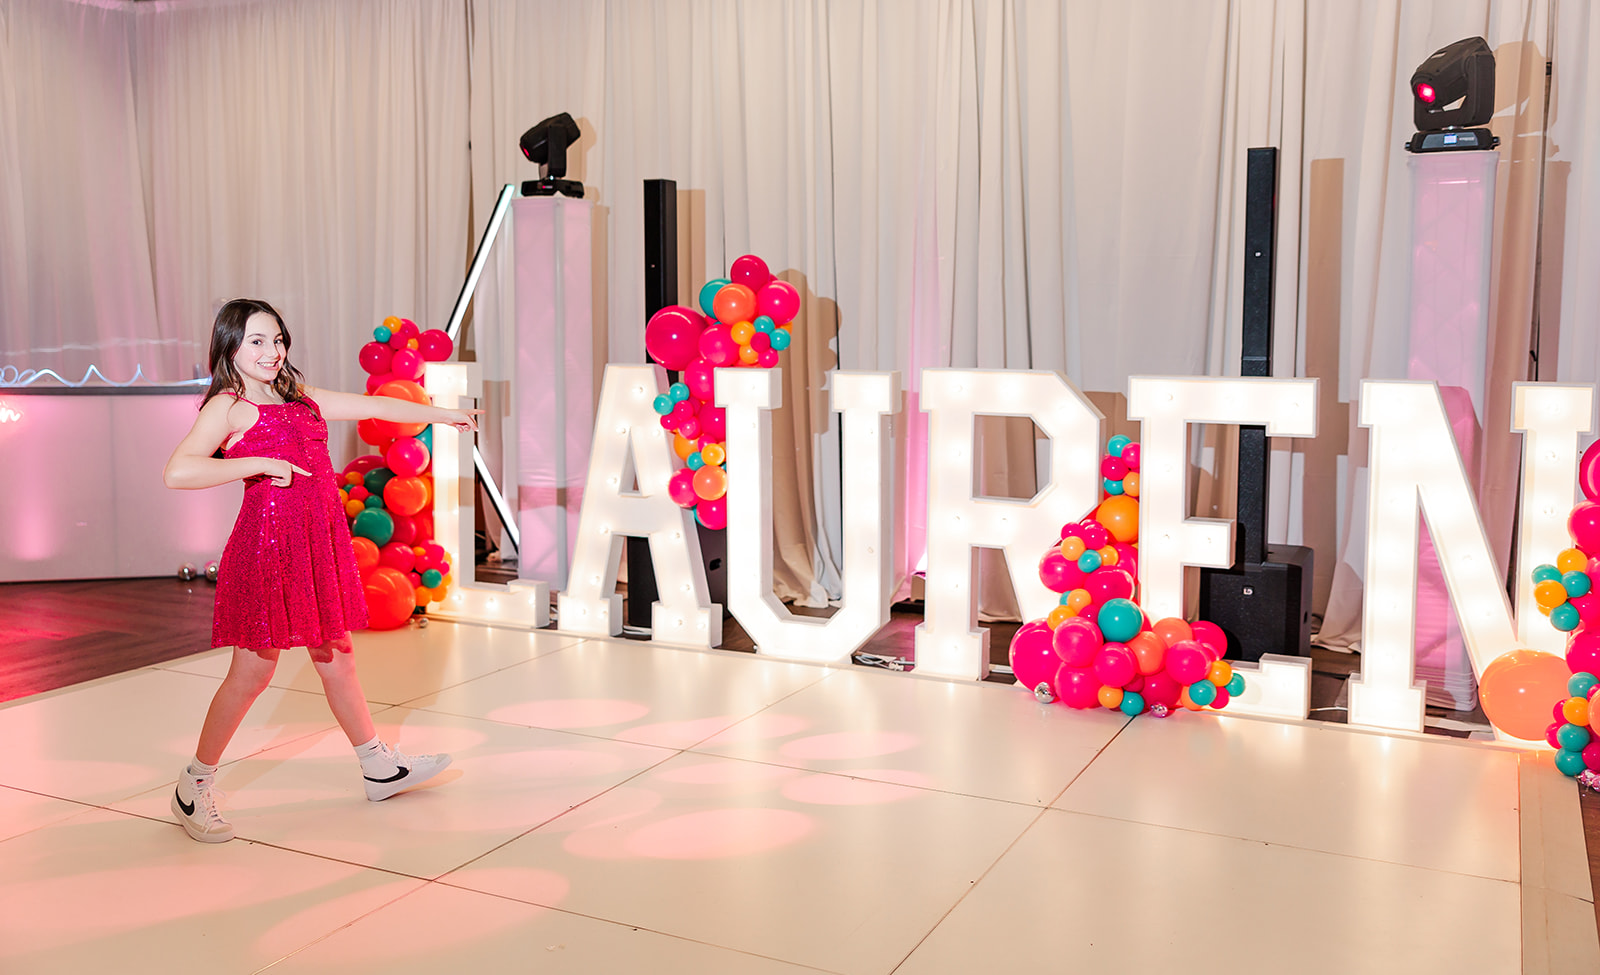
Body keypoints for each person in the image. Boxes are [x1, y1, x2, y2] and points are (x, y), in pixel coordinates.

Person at [162, 298, 479, 843]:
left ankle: (378, 766)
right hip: (267, 549)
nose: (271, 351)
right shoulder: (228, 406)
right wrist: (257, 462)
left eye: (278, 339)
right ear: (230, 345)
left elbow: (366, 405)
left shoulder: (297, 396)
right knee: (252, 674)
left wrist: (440, 414)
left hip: (316, 543)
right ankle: (194, 786)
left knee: (338, 658)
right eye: (257, 341)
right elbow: (178, 471)